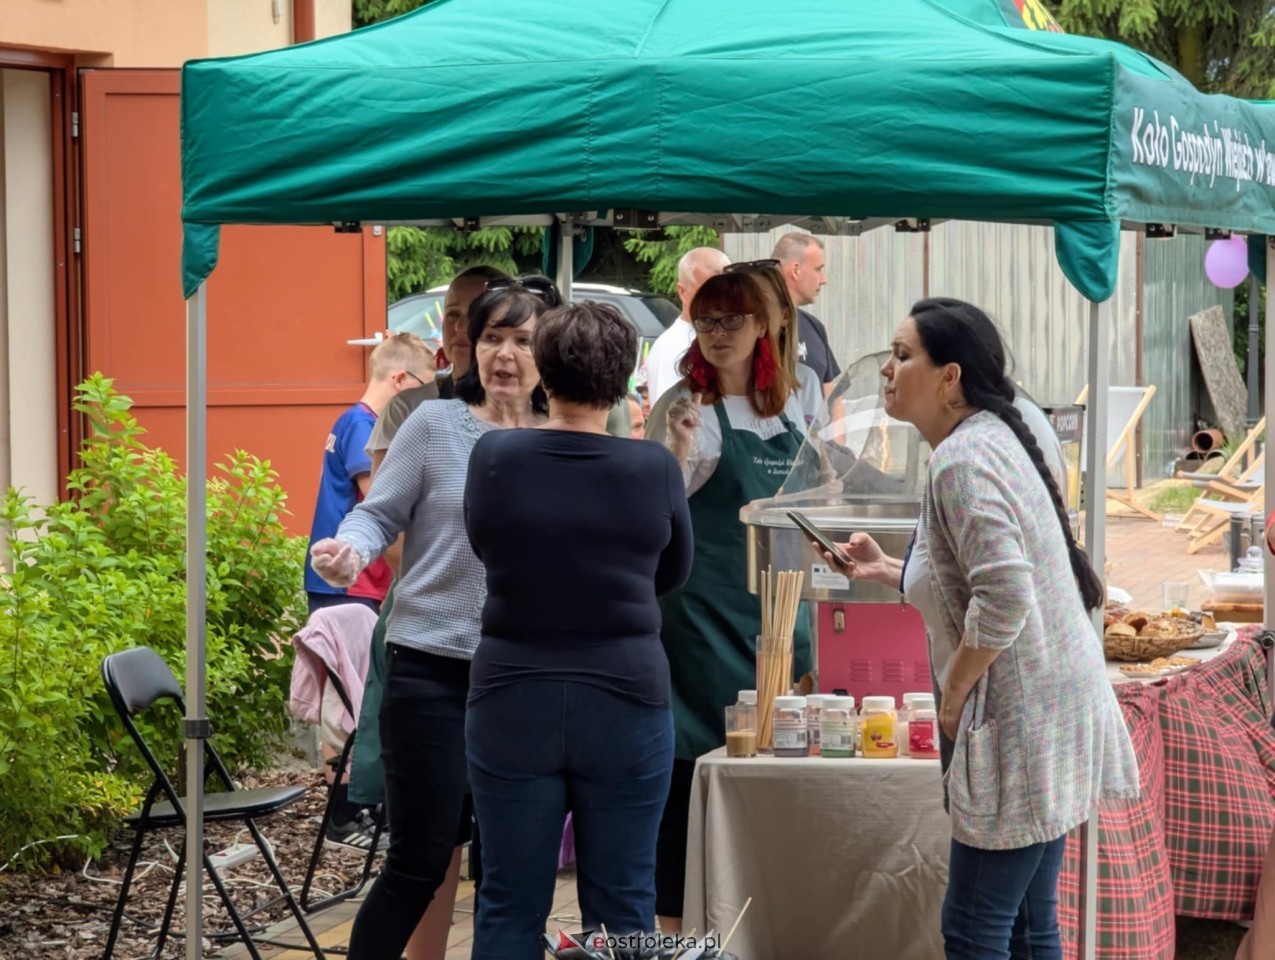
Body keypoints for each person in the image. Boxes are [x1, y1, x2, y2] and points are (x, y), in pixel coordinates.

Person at [817, 298, 1138, 960]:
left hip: (1021, 717)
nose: (886, 371)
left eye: (903, 356)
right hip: (1052, 706)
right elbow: (983, 576)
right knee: (1027, 921)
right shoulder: (987, 437)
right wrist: (884, 571)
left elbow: (1005, 592)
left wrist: (957, 690)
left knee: (974, 928)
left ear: (949, 377)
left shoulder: (961, 460)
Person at [309, 279, 555, 960]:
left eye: (522, 340)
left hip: (525, 678)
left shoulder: (560, 436)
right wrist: (348, 550)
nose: (504, 354)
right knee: (419, 861)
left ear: (548, 351)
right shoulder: (433, 423)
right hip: (431, 672)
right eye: (491, 338)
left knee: (515, 871)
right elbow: (377, 511)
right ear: (471, 349)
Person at [463, 301, 694, 958]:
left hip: (511, 689)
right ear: (624, 381)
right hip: (625, 693)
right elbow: (672, 573)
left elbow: (486, 547)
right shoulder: (654, 468)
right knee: (623, 901)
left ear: (543, 371)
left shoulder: (494, 456)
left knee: (508, 900)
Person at [645, 272, 812, 930]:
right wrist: (673, 456)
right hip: (698, 622)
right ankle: (675, 927)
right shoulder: (684, 407)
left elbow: (814, 494)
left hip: (779, 614)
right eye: (705, 321)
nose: (716, 334)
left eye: (731, 320)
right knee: (691, 776)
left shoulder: (795, 401)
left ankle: (759, 920)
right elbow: (651, 516)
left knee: (773, 776)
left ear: (767, 326)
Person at [304, 332, 434, 616]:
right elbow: (382, 503)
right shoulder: (365, 427)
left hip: (346, 584)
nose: (428, 399)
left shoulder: (352, 420)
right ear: (399, 379)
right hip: (352, 584)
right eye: (425, 388)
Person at [643, 247, 730, 404]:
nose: (720, 298)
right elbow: (670, 419)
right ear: (683, 292)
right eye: (707, 291)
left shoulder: (728, 338)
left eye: (726, 289)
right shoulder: (672, 348)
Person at [772, 232, 842, 396]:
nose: (824, 280)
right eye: (818, 269)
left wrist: (837, 422)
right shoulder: (755, 327)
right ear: (795, 269)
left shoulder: (814, 327)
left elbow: (832, 397)